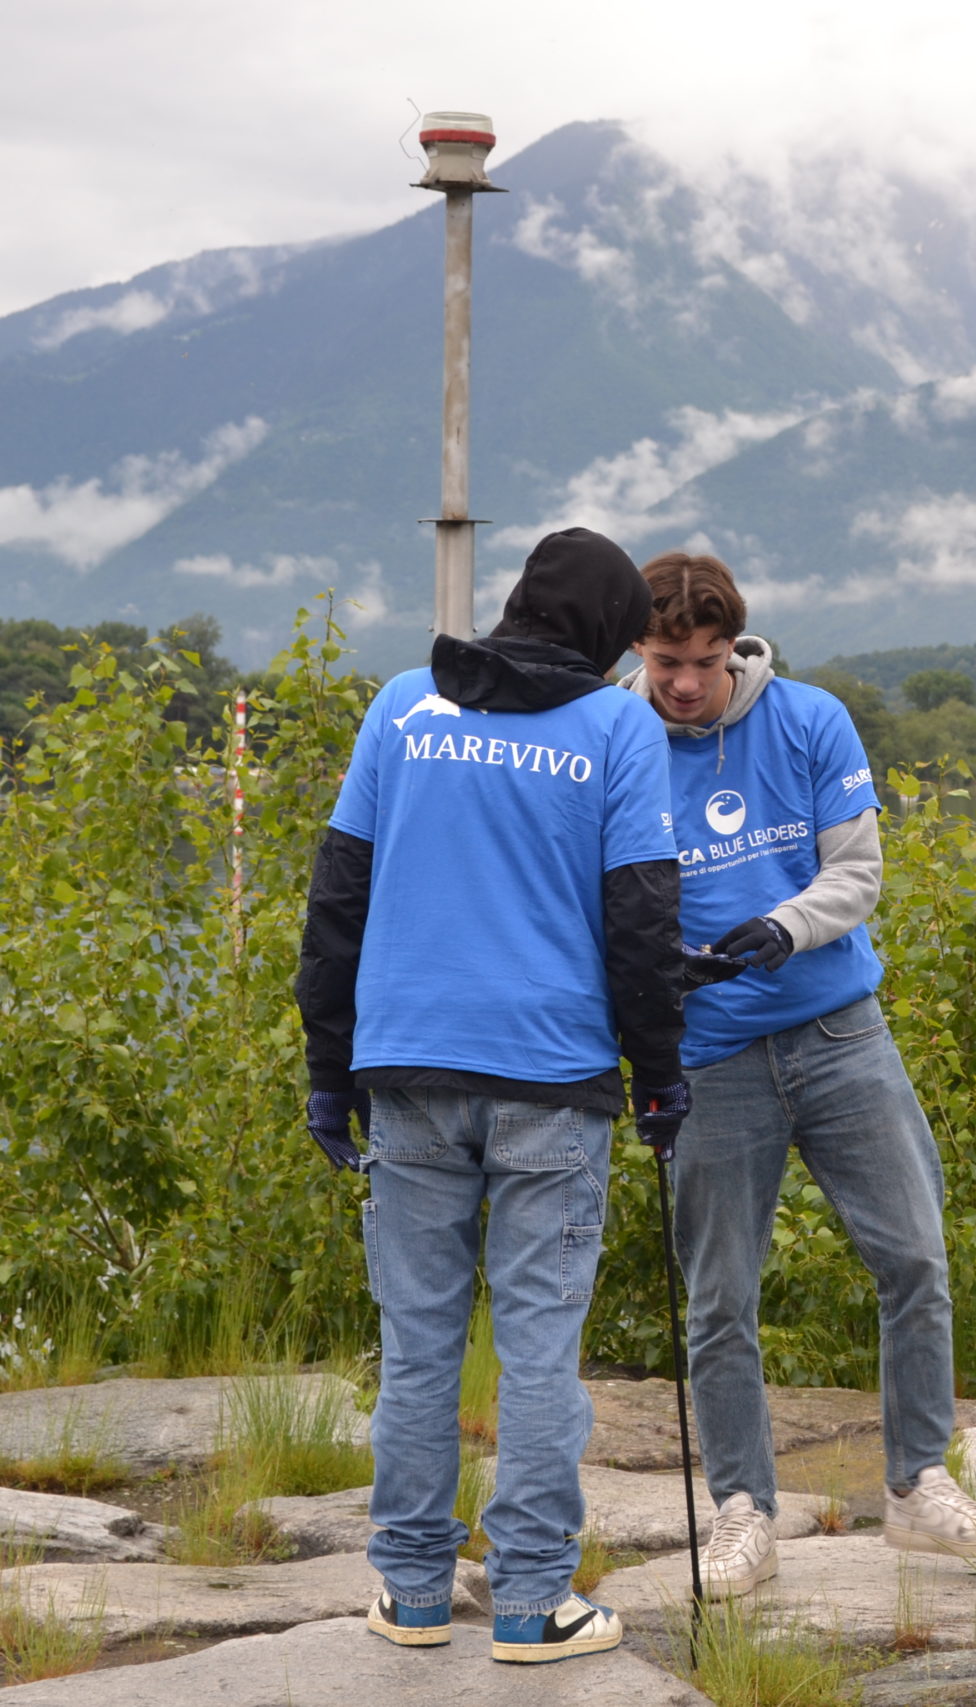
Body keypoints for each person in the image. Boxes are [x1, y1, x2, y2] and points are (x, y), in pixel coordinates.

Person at [296, 527, 691, 1664]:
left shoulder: (402, 709)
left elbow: (338, 905)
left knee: (417, 1346)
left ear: (519, 606)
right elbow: (641, 916)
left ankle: (413, 1595)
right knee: (536, 1350)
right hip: (552, 1084)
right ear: (611, 637)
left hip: (406, 1072)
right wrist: (657, 1076)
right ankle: (529, 1606)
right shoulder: (616, 725)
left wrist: (330, 1072)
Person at [618, 551, 976, 1599]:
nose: (687, 684)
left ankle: (919, 1487)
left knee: (916, 1261)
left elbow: (857, 872)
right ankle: (743, 1511)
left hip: (839, 1033)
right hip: (708, 1057)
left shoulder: (808, 720)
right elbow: (592, 897)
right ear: (639, 650)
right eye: (668, 661)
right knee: (719, 1300)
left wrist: (779, 930)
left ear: (735, 650)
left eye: (707, 663)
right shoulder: (611, 741)